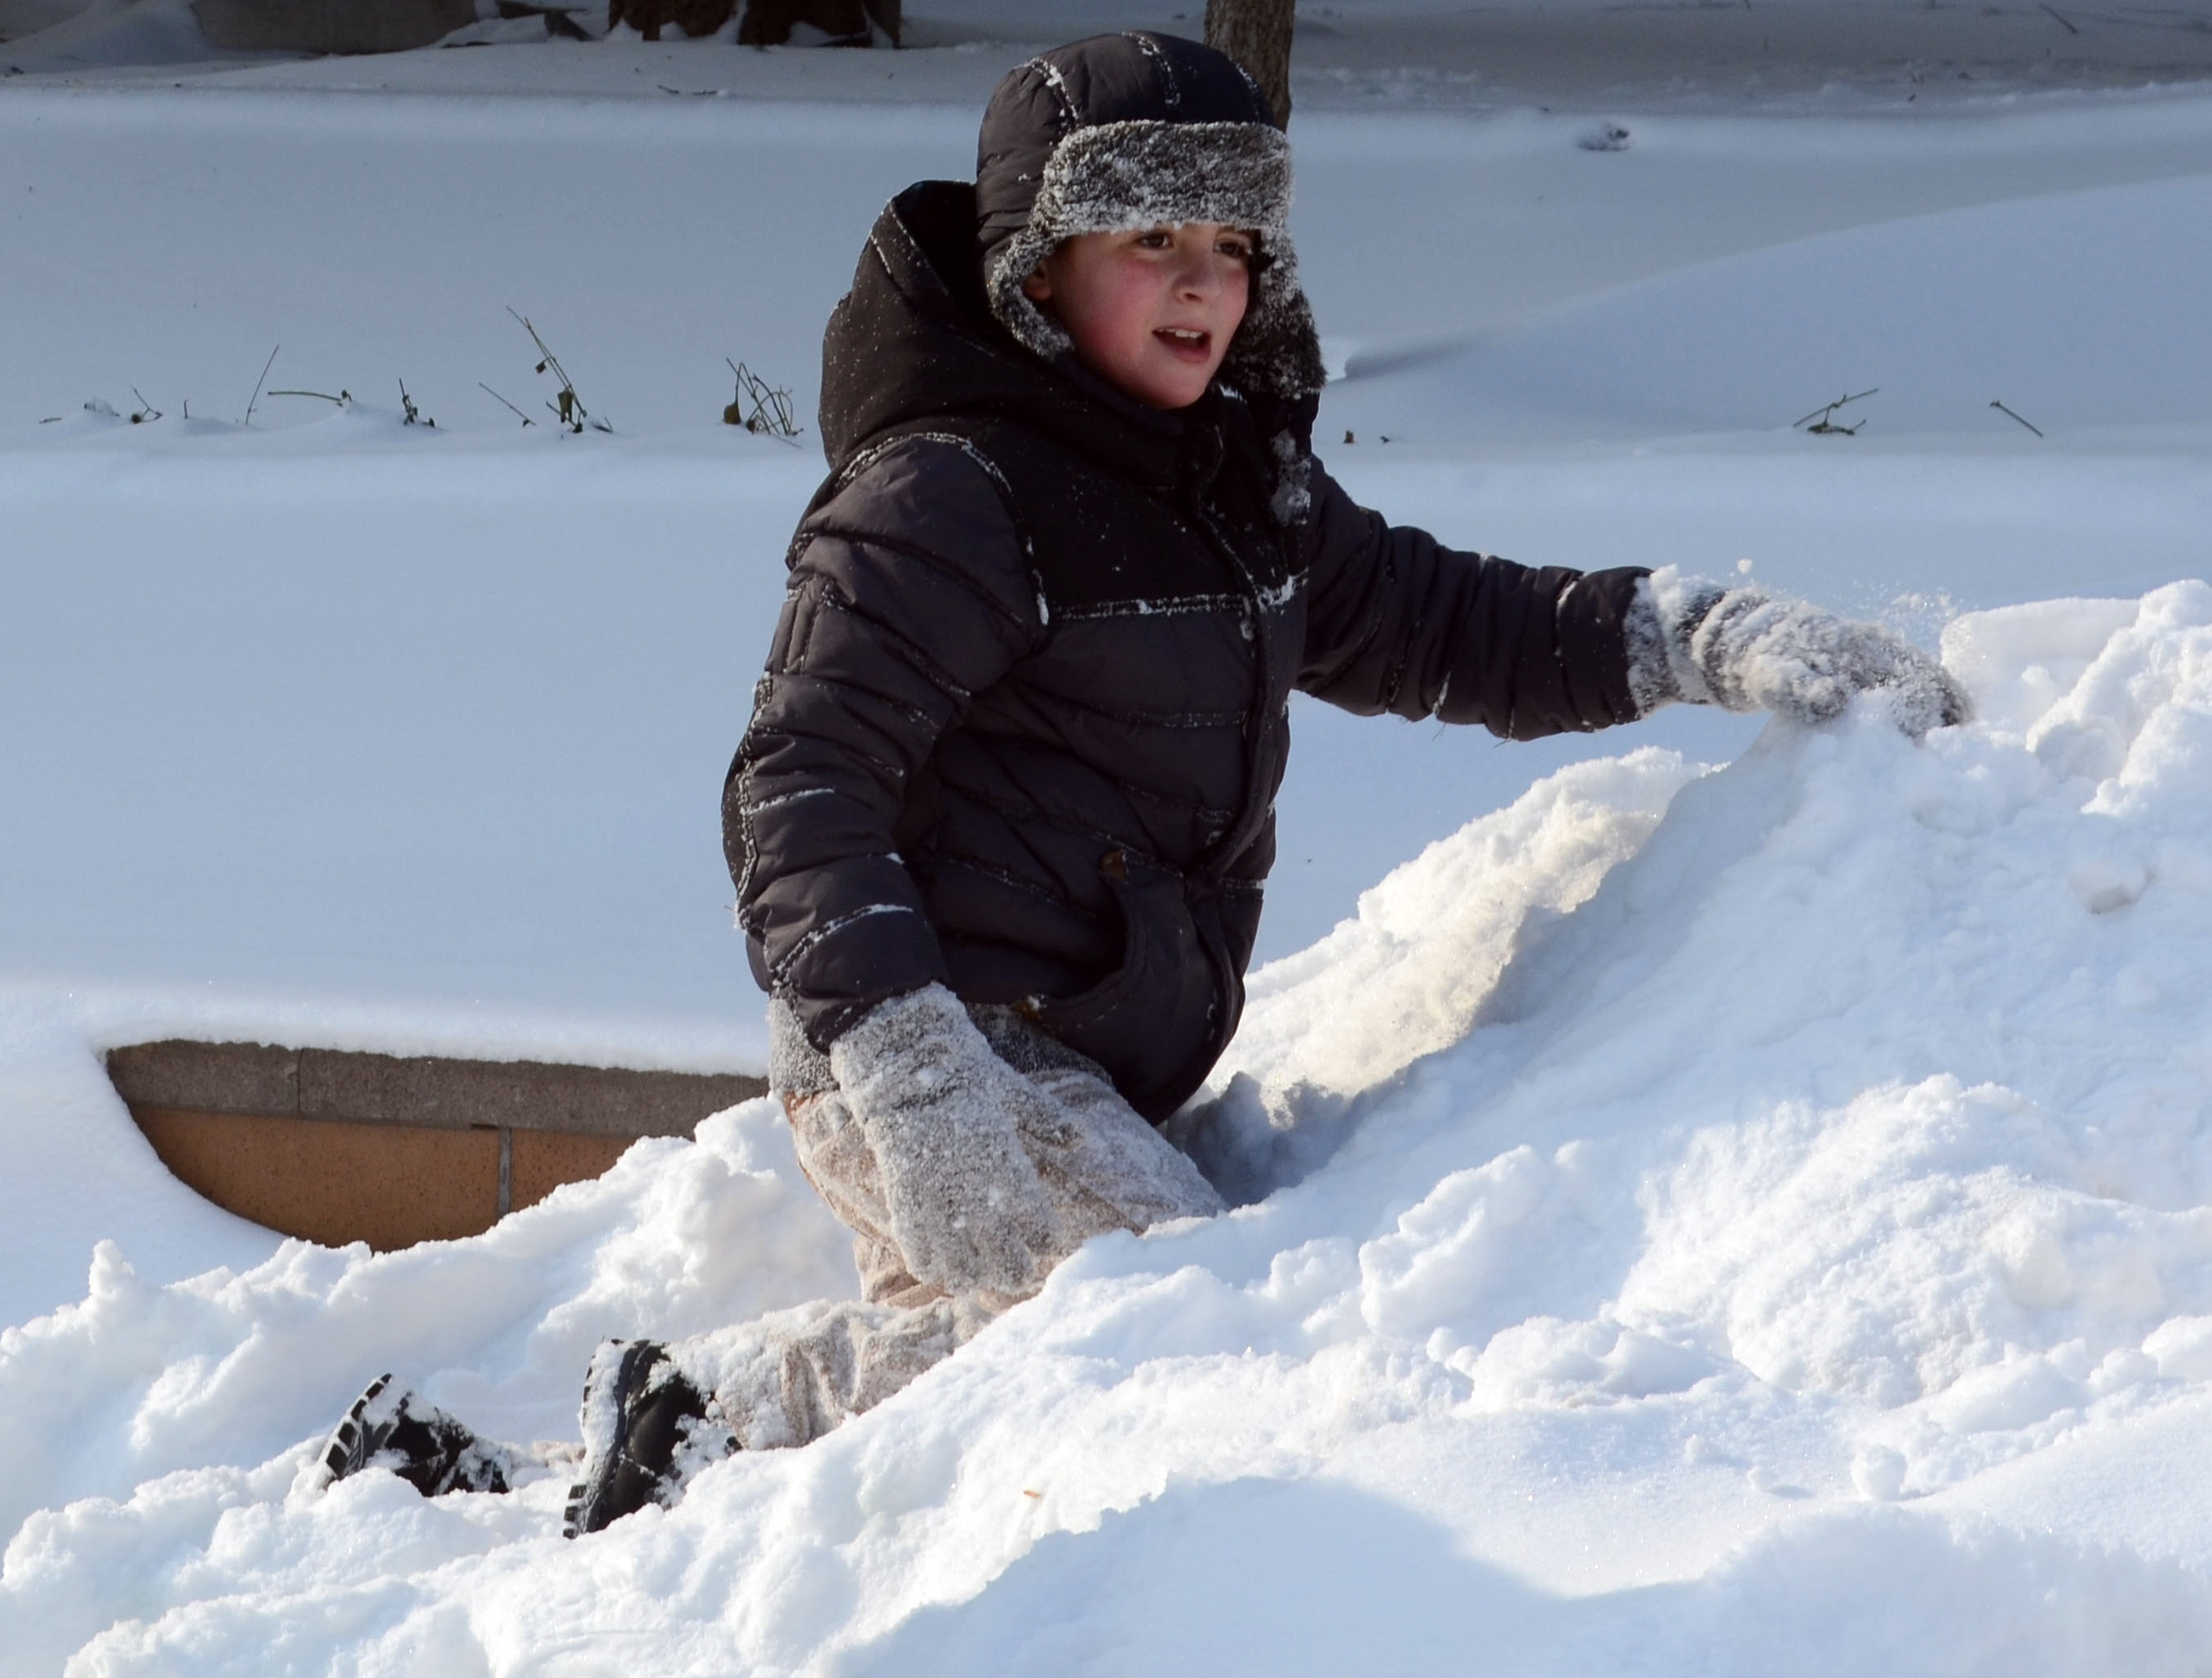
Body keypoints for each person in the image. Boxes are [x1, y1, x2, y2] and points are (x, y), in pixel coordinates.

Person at [325, 32, 1962, 1534]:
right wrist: (907, 1061)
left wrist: (1687, 633)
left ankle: (538, 1477)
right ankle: (707, 1417)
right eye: (1151, 247)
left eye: (1232, 250)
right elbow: (798, 777)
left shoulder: (1228, 485)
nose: (1204, 290)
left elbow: (1440, 620)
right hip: (949, 1039)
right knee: (1154, 1338)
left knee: (992, 1357)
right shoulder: (950, 494)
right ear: (1040, 272)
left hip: (1074, 1047)